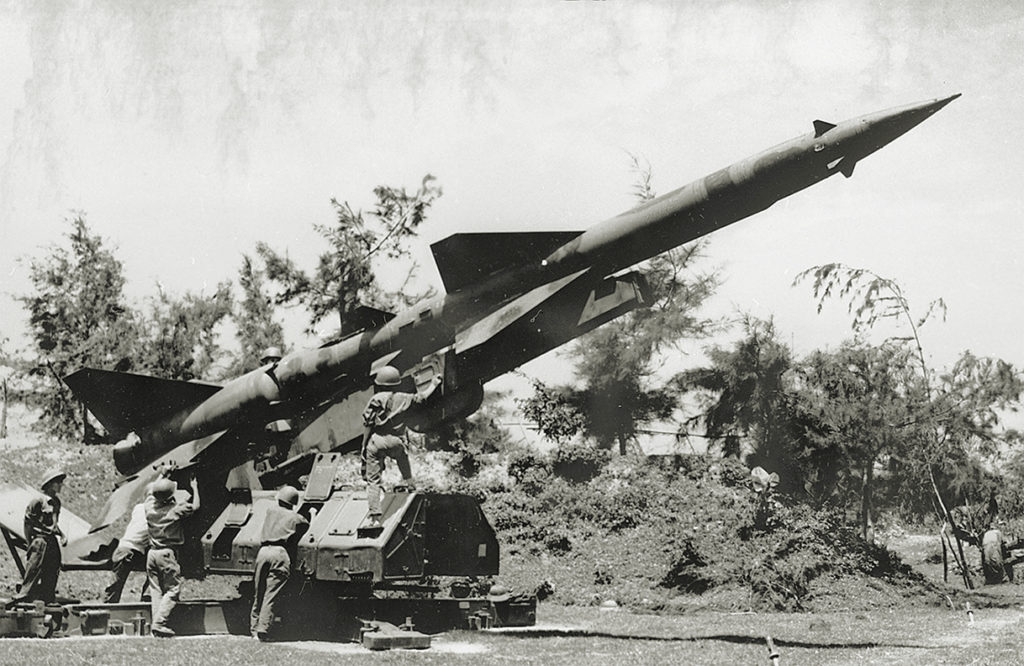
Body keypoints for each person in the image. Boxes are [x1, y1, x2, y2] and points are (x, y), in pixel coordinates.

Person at [360, 366, 441, 527]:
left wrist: (364, 446)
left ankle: (375, 518)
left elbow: (368, 425)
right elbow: (422, 397)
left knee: (373, 480)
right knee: (402, 457)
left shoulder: (375, 399)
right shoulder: (404, 397)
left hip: (377, 441)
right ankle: (410, 485)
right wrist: (434, 383)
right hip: (396, 440)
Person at [250, 485, 309, 641]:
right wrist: (313, 515)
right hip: (279, 554)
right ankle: (263, 630)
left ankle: (254, 629)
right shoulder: (295, 518)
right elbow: (305, 525)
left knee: (259, 592)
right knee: (271, 594)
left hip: (262, 552)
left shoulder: (270, 511)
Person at [145, 469, 199, 637]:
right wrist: (195, 488)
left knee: (156, 590)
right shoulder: (175, 510)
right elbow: (196, 507)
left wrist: (163, 474)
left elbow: (151, 493)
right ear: (170, 497)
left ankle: (156, 623)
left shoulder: (148, 507)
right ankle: (160, 623)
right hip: (167, 554)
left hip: (152, 554)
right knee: (173, 589)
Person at [18, 469, 67, 603]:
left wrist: (62, 535)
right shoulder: (37, 501)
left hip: (52, 541)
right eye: (59, 482)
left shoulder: (56, 502)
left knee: (53, 568)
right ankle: (24, 596)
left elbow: (54, 526)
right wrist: (30, 544)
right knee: (34, 568)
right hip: (40, 541)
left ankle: (47, 597)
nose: (61, 485)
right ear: (51, 484)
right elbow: (28, 525)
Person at [102, 502, 149, 603]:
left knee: (115, 585)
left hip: (124, 549)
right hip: (131, 551)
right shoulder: (154, 513)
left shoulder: (139, 507)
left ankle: (108, 606)